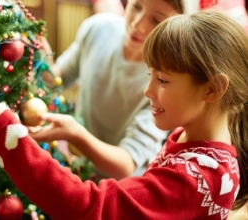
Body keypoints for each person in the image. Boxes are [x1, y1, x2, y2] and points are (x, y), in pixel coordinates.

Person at [0, 9, 247, 219]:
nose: (147, 91)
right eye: (149, 76)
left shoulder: (197, 179)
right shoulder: (195, 142)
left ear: (212, 90)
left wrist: (3, 130)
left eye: (162, 80)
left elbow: (91, 207)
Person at [32, 0, 216, 180]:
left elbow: (126, 164)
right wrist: (40, 57)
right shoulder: (98, 29)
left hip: (119, 191)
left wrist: (76, 135)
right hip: (75, 170)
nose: (138, 24)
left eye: (156, 20)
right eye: (136, 6)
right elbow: (55, 81)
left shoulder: (166, 80)